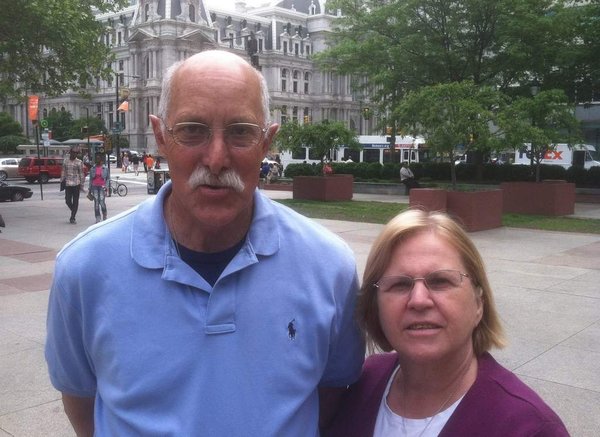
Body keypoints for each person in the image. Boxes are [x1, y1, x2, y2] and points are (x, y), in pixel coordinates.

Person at [45, 50, 364, 436]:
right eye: (193, 130)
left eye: (241, 132)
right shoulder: (84, 267)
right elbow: (82, 401)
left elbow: (331, 392)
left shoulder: (330, 267)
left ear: (268, 141)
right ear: (161, 136)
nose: (216, 159)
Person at [325, 209, 569, 437]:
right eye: (400, 284)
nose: (419, 300)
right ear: (375, 306)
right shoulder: (359, 384)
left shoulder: (530, 428)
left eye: (440, 281)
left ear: (478, 304)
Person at [60, 148, 85, 224]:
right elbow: (63, 171)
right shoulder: (65, 161)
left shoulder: (79, 162)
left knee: (75, 201)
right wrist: (61, 181)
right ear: (70, 153)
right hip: (68, 183)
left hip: (76, 183)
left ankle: (72, 217)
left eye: (76, 153)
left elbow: (81, 173)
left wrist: (82, 184)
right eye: (73, 153)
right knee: (67, 200)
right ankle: (74, 210)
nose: (75, 154)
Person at [88, 154, 109, 223]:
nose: (98, 160)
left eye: (99, 159)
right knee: (96, 202)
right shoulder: (92, 168)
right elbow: (91, 179)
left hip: (102, 186)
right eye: (96, 159)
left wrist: (106, 186)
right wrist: (89, 189)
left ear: (102, 161)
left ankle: (104, 214)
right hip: (94, 187)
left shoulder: (105, 168)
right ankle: (97, 217)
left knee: (102, 202)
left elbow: (108, 178)